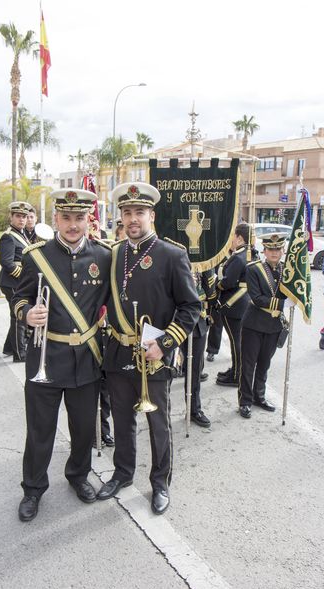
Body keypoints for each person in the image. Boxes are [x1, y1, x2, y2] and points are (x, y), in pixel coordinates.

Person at [97, 182, 201, 515]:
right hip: (118, 351)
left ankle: (160, 483)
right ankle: (123, 473)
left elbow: (191, 307)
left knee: (158, 422)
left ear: (151, 215)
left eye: (139, 212)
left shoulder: (172, 254)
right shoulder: (112, 254)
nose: (132, 219)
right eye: (126, 213)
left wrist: (166, 343)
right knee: (123, 417)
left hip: (154, 354)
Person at [11, 188, 112, 522]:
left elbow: (114, 302)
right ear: (55, 219)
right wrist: (26, 313)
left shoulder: (103, 256)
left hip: (86, 357)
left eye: (79, 218)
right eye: (66, 217)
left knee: (83, 427)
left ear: (88, 220)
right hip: (46, 354)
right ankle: (33, 489)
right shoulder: (35, 255)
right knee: (40, 429)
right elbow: (19, 298)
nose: (72, 225)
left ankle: (78, 476)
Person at [238, 233, 288, 419]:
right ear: (264, 250)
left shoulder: (286, 270)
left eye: (278, 249)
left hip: (274, 326)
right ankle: (245, 401)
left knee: (264, 364)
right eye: (271, 249)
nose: (274, 253)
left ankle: (259, 396)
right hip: (254, 324)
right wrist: (283, 304)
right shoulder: (254, 269)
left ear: (282, 250)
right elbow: (257, 299)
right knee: (248, 365)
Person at [216, 223, 255, 387]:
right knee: (236, 340)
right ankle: (235, 369)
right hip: (241, 304)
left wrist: (216, 284)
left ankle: (237, 375)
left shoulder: (238, 257)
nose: (231, 240)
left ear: (239, 238)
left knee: (236, 341)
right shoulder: (248, 254)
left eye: (233, 236)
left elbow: (228, 282)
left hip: (234, 305)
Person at [181, 269, 217, 428]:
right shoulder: (171, 254)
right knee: (166, 369)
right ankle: (161, 412)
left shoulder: (203, 261)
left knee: (195, 369)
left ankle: (194, 409)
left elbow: (210, 293)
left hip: (197, 320)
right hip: (173, 319)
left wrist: (205, 268)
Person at [0, 201, 32, 362]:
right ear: (11, 217)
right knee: (19, 316)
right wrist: (24, 276)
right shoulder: (8, 237)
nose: (22, 219)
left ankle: (9, 347)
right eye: (18, 216)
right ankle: (20, 354)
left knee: (15, 315)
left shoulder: (21, 234)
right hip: (12, 282)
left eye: (24, 216)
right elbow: (7, 262)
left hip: (17, 283)